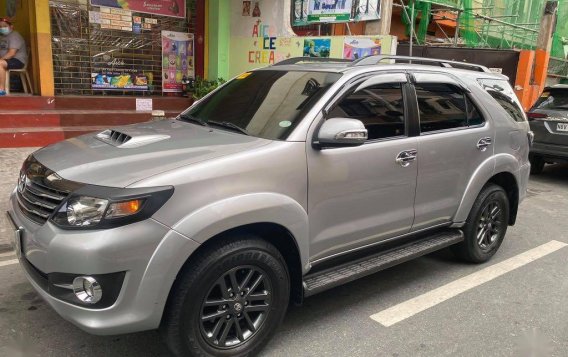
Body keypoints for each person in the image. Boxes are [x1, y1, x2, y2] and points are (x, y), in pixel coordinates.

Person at [0, 17, 28, 96]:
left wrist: (1, 59)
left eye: (4, 26)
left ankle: (1, 90)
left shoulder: (14, 35)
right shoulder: (2, 37)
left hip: (17, 61)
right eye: (0, 27)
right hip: (7, 60)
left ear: (11, 26)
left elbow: (11, 53)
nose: (2, 28)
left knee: (0, 63)